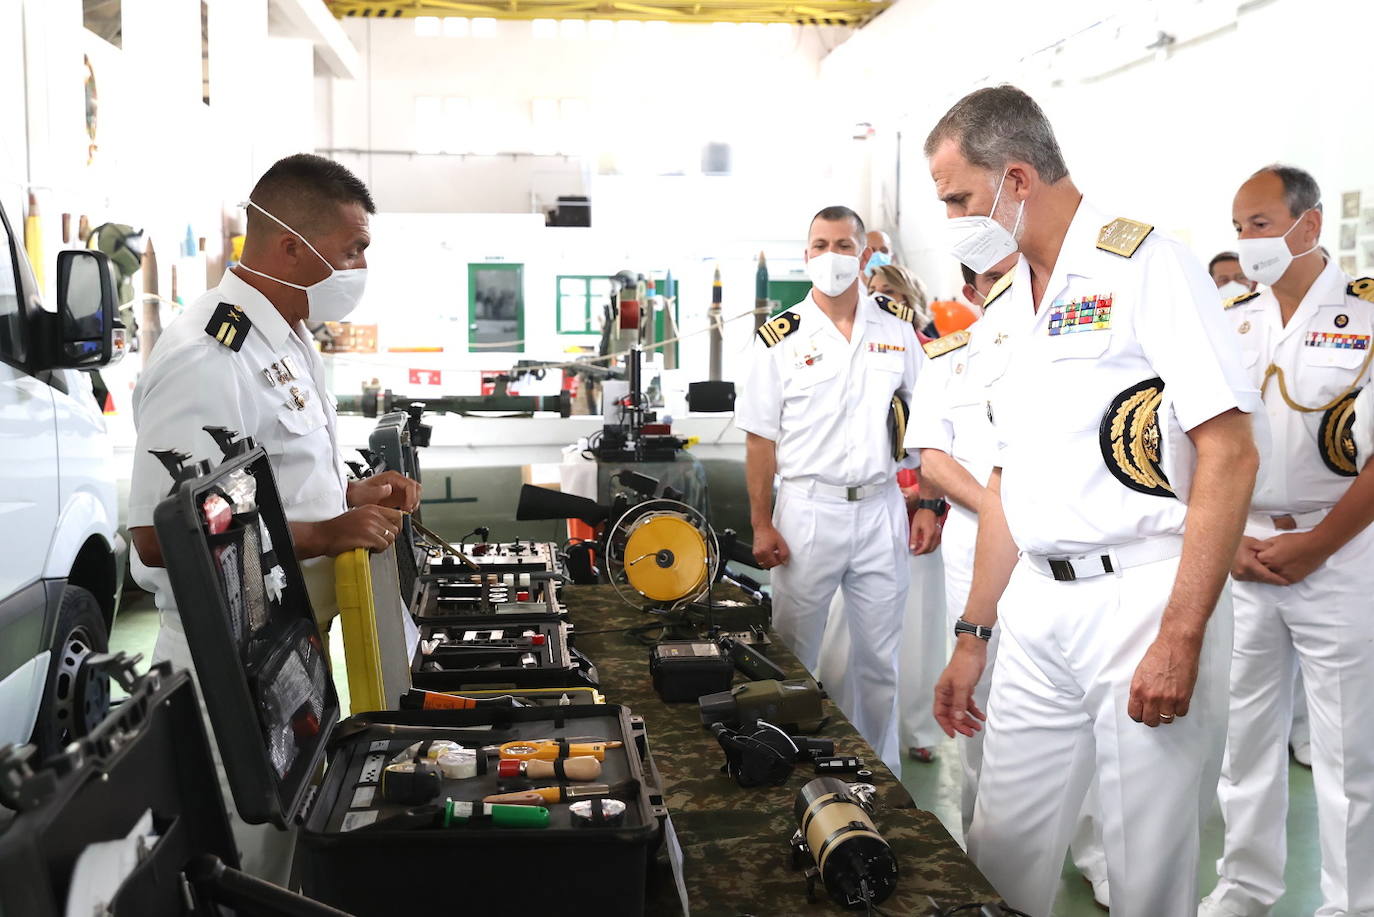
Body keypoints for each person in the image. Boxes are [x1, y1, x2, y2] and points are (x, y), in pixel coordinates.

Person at [925, 86, 1260, 917]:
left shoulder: (1148, 265)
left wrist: (1181, 634)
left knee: (1146, 869)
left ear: (1016, 179)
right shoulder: (1005, 306)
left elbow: (1229, 450)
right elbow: (1009, 480)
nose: (953, 218)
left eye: (959, 198)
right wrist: (974, 632)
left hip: (1141, 600)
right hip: (1036, 607)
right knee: (1000, 851)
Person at [126, 154, 421, 882]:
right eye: (352, 249)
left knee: (292, 850)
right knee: (249, 863)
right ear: (292, 245)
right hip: (225, 661)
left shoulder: (283, 338)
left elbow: (267, 482)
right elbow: (161, 532)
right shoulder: (208, 354)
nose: (358, 266)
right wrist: (323, 535)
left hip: (288, 646)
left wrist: (346, 499)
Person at [907, 255, 1112, 908]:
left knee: (1085, 707)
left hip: (1069, 542)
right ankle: (985, 856)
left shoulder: (1081, 335)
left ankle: (1096, 853)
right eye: (997, 276)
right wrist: (995, 505)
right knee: (984, 702)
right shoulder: (953, 351)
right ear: (972, 289)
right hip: (981, 540)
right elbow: (931, 456)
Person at [1202, 165, 1374, 917]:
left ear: (1309, 227)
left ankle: (1351, 902)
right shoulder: (1230, 315)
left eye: (1261, 224)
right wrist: (1230, 538)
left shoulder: (1366, 314)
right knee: (1246, 740)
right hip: (1244, 555)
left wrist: (1318, 544)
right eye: (1239, 226)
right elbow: (1200, 442)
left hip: (1339, 550)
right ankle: (1245, 886)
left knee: (1348, 752)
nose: (1246, 241)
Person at [736, 205, 935, 770]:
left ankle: (879, 779)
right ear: (805, 256)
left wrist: (928, 501)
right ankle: (783, 771)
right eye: (820, 245)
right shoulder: (779, 339)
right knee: (791, 658)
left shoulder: (898, 330)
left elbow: (928, 425)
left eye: (844, 245)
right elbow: (760, 441)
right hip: (806, 510)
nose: (832, 257)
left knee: (878, 663)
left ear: (865, 255)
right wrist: (761, 521)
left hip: (880, 511)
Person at [868, 263, 938, 339]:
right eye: (872, 292)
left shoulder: (929, 349)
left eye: (888, 291)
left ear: (910, 300)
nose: (876, 298)